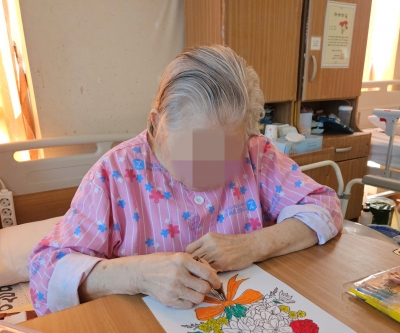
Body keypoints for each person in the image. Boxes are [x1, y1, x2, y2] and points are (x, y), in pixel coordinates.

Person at [28, 45, 343, 316]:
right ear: (157, 125)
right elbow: (45, 273)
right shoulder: (114, 175)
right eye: (194, 153)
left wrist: (252, 245)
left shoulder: (256, 154)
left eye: (226, 155)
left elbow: (325, 207)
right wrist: (137, 275)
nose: (209, 172)